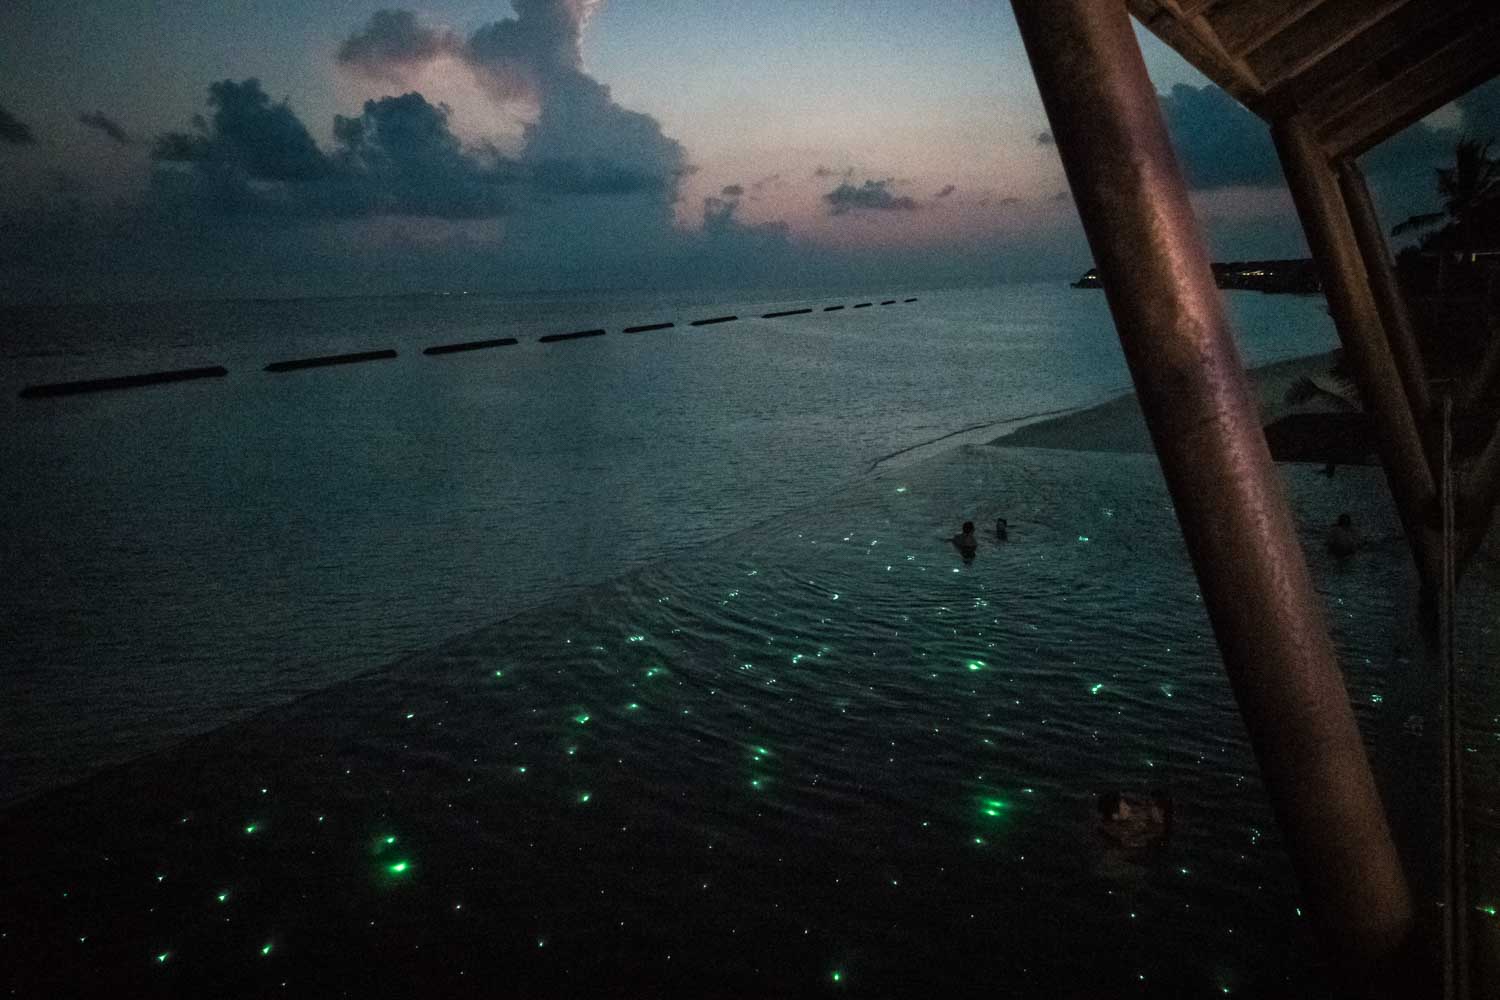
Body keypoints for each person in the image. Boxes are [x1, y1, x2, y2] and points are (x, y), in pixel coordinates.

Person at [1096, 791, 1173, 848]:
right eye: (1125, 808)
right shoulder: (1122, 832)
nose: (1129, 808)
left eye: (1126, 804)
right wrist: (1159, 823)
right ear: (1115, 816)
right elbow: (1144, 842)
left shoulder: (1131, 813)